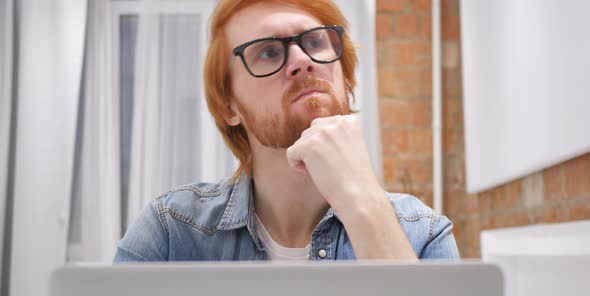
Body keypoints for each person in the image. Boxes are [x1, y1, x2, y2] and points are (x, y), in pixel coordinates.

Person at [114, 0, 459, 262]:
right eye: (268, 51)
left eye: (315, 42)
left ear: (346, 77)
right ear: (228, 106)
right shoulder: (171, 232)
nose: (301, 60)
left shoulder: (422, 234)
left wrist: (364, 205)